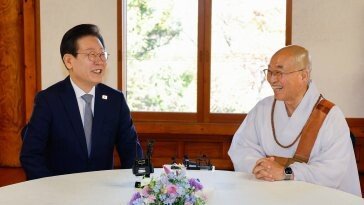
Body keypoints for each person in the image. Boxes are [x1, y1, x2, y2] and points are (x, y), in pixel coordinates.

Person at [228, 45, 361, 196]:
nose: (272, 79)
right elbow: (241, 147)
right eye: (269, 71)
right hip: (268, 194)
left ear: (303, 76)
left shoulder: (330, 116)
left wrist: (285, 173)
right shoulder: (263, 108)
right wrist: (260, 167)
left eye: (278, 72)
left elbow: (333, 170)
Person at [20, 24, 142, 180]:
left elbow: (132, 151)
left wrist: (138, 188)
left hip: (102, 191)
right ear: (69, 61)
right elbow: (31, 155)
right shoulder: (49, 100)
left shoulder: (115, 100)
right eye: (91, 55)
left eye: (102, 54)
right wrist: (50, 191)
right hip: (60, 192)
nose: (99, 61)